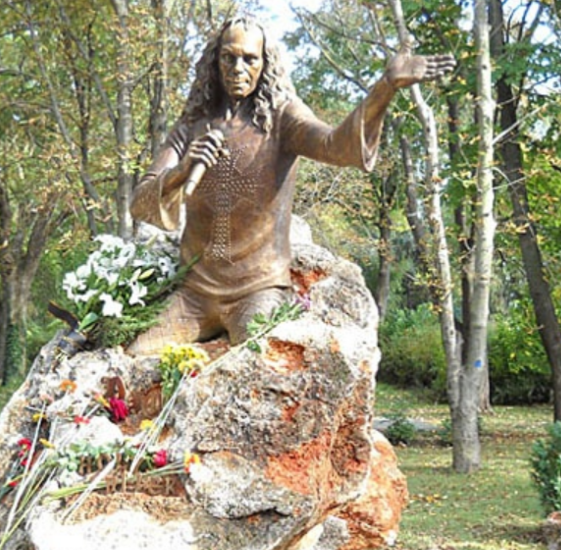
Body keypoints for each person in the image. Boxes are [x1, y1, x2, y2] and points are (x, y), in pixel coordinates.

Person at [128, 15, 455, 355]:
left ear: (265, 63)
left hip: (257, 290)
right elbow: (140, 204)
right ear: (215, 60)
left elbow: (335, 146)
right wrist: (180, 171)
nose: (238, 68)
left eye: (249, 58)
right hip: (195, 293)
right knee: (137, 351)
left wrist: (384, 88)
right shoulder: (193, 123)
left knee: (254, 357)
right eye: (229, 57)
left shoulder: (282, 116)